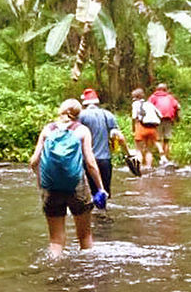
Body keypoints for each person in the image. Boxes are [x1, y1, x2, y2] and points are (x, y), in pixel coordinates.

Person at [30, 99, 107, 257]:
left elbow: (34, 161)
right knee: (84, 237)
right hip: (76, 187)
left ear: (60, 111)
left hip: (50, 187)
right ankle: (87, 272)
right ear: (78, 114)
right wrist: (100, 188)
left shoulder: (47, 130)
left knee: (55, 241)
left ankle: (55, 270)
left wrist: (41, 182)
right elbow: (90, 163)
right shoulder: (82, 130)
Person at [78, 88, 132, 197]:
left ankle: (96, 213)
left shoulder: (81, 116)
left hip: (87, 160)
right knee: (105, 192)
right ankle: (104, 212)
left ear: (84, 103)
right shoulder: (108, 115)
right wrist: (128, 154)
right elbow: (119, 137)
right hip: (105, 160)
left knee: (91, 192)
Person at [148, 83, 180, 162]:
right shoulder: (170, 98)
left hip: (157, 120)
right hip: (169, 119)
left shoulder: (153, 97)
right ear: (166, 90)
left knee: (157, 138)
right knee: (166, 139)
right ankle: (166, 157)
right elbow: (178, 107)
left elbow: (147, 107)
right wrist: (177, 117)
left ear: (157, 89)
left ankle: (161, 155)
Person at [131, 88, 162, 169]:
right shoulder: (149, 104)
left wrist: (133, 129)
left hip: (141, 128)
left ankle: (139, 168)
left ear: (135, 97)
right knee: (149, 150)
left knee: (139, 150)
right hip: (152, 129)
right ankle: (148, 167)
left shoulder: (135, 104)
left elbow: (134, 117)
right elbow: (160, 115)